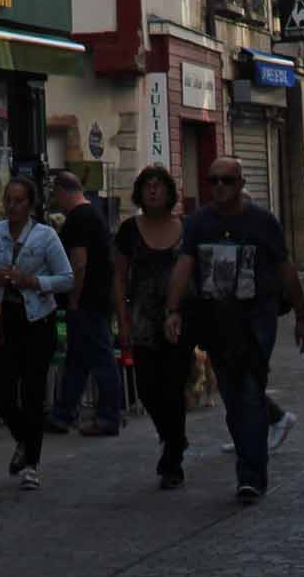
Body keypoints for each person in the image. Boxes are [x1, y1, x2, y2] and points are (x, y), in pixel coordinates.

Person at [165, 156, 304, 505]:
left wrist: (302, 316)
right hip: (215, 320)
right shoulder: (200, 222)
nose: (218, 187)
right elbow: (183, 266)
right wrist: (173, 311)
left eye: (226, 181)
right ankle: (250, 456)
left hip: (256, 320)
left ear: (240, 183)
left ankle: (251, 475)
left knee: (249, 390)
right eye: (212, 180)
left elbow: (285, 268)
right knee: (233, 398)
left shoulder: (262, 222)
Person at [0, 173, 72, 493]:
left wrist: (35, 282)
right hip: (3, 320)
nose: (12, 206)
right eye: (8, 201)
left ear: (31, 205)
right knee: (1, 391)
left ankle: (32, 464)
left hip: (37, 319)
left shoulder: (46, 237)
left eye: (19, 201)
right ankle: (23, 440)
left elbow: (66, 278)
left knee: (33, 392)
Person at [114, 165, 190, 488]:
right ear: (140, 193)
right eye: (148, 186)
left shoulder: (185, 227)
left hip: (179, 317)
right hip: (144, 317)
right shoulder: (129, 230)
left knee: (174, 387)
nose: (154, 191)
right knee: (146, 387)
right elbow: (118, 277)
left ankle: (172, 459)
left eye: (159, 185)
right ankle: (173, 436)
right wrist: (123, 319)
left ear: (169, 192)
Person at [46, 168, 122, 439]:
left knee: (101, 358)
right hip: (96, 297)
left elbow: (79, 262)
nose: (57, 202)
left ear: (63, 192)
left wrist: (75, 298)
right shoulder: (94, 213)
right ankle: (62, 414)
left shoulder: (79, 218)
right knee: (77, 359)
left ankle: (109, 416)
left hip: (87, 300)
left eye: (56, 196)